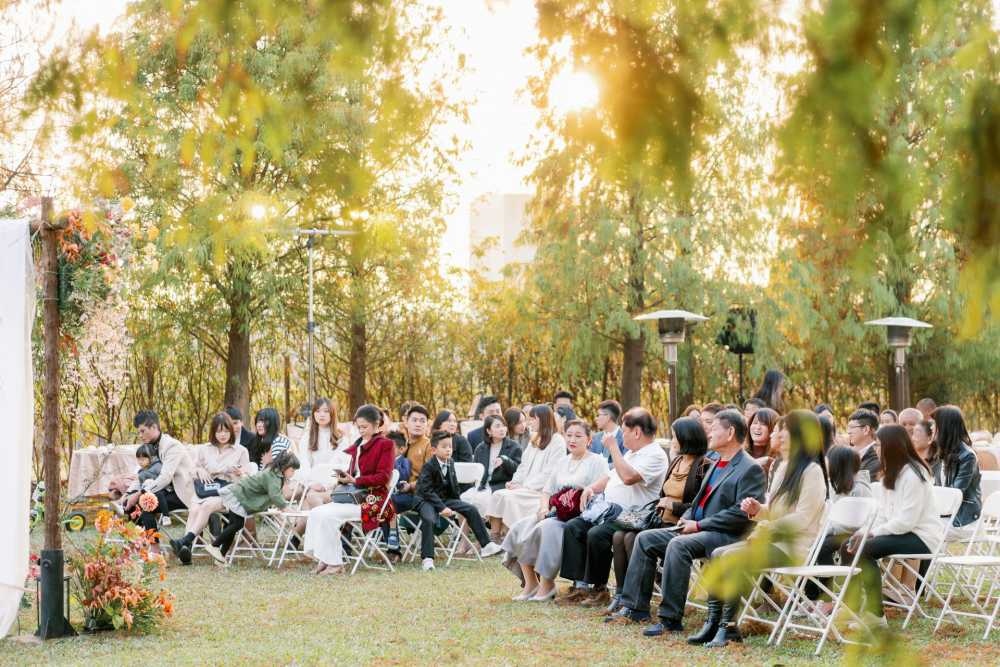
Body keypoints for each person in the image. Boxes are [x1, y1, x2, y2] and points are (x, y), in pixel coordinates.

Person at [609, 410, 767, 634]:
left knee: (678, 545)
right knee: (644, 539)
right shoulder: (717, 463)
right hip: (697, 530)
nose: (708, 433)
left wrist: (699, 525)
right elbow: (698, 501)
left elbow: (740, 514)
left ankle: (670, 619)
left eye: (713, 429)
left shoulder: (750, 468)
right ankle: (635, 608)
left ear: (730, 432)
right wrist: (688, 518)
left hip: (726, 536)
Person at [695, 410, 828, 648]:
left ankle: (729, 627)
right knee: (717, 553)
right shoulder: (783, 467)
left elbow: (802, 519)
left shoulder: (812, 472)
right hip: (774, 542)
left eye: (783, 429)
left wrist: (765, 527)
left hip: (794, 547)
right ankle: (713, 622)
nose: (778, 433)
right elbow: (776, 511)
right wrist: (758, 510)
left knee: (730, 557)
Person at [556, 407, 670, 607]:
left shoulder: (655, 455)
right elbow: (609, 477)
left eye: (624, 431)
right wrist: (590, 488)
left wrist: (614, 449)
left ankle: (600, 589)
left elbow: (628, 477)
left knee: (597, 534)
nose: (621, 436)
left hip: (632, 518)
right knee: (574, 526)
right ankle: (580, 586)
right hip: (610, 512)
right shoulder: (632, 453)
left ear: (637, 432)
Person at [840, 424, 941, 630]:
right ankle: (852, 608)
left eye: (877, 445)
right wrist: (864, 532)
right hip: (903, 533)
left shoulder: (915, 474)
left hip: (922, 537)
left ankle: (875, 615)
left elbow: (906, 521)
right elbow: (883, 514)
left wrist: (872, 534)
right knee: (848, 545)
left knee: (864, 549)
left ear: (890, 447)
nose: (875, 449)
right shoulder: (890, 473)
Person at [608, 417, 712, 613]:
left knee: (632, 538)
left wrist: (675, 506)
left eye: (675, 437)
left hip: (682, 526)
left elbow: (703, 506)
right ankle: (622, 595)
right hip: (661, 521)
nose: (672, 441)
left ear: (687, 437)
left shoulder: (704, 466)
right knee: (619, 536)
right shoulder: (677, 461)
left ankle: (638, 603)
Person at [503, 419, 610, 601]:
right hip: (557, 512)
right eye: (569, 435)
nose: (572, 440)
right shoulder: (562, 462)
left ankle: (547, 584)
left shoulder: (597, 461)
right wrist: (544, 508)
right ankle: (531, 583)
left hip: (580, 517)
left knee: (546, 528)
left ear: (589, 439)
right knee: (520, 527)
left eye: (578, 436)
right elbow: (547, 490)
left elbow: (601, 490)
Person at [302, 405, 397, 574]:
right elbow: (355, 473)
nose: (361, 430)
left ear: (376, 424)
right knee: (316, 513)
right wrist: (344, 478)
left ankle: (335, 563)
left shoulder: (386, 444)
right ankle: (325, 558)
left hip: (373, 500)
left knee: (329, 516)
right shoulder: (359, 443)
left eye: (364, 426)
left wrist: (355, 480)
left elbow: (383, 477)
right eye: (358, 427)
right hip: (354, 495)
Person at [169, 451, 300, 565]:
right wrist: (286, 508)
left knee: (233, 525)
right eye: (292, 470)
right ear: (283, 467)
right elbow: (275, 494)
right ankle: (214, 546)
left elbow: (272, 493)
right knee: (237, 524)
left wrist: (279, 504)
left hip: (239, 494)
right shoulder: (274, 476)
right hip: (239, 496)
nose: (293, 474)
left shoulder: (273, 473)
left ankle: (217, 555)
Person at [414, 430, 503, 570]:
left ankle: (486, 544)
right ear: (434, 450)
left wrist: (457, 503)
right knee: (429, 519)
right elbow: (426, 491)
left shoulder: (450, 462)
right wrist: (442, 508)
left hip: (444, 498)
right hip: (426, 500)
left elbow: (454, 485)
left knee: (471, 508)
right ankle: (427, 559)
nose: (448, 449)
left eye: (450, 446)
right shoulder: (428, 466)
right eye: (444, 446)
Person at [804, 444, 873, 611]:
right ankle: (812, 597)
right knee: (810, 542)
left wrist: (826, 530)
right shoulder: (834, 482)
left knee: (822, 546)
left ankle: (827, 599)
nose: (824, 463)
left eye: (827, 460)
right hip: (837, 529)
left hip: (855, 532)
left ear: (839, 465)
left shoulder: (859, 488)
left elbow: (854, 523)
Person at [486, 404, 568, 542]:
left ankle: (512, 538)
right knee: (498, 494)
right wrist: (515, 482)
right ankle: (495, 538)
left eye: (532, 419)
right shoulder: (534, 440)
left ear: (542, 419)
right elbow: (522, 466)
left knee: (510, 498)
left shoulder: (557, 441)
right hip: (525, 488)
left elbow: (550, 472)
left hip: (540, 491)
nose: (529, 422)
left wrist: (526, 487)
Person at [118, 410, 196, 553]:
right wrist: (127, 494)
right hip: (161, 492)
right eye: (139, 432)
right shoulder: (149, 447)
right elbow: (140, 476)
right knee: (134, 501)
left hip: (181, 493)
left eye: (143, 431)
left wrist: (140, 493)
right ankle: (134, 546)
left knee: (145, 502)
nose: (140, 436)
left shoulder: (172, 446)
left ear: (154, 427)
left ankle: (154, 549)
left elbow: (165, 477)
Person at [931, 405, 982, 540]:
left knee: (920, 528)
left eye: (934, 423)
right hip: (945, 517)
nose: (931, 427)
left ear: (944, 426)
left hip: (963, 521)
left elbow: (953, 495)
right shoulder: (943, 452)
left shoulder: (967, 456)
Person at [462, 414, 523, 515]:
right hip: (481, 487)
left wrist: (505, 461)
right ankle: (466, 527)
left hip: (500, 487)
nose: (502, 429)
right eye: (497, 426)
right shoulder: (480, 448)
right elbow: (475, 471)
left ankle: (482, 525)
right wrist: (475, 483)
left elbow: (519, 470)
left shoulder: (514, 447)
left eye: (504, 425)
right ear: (488, 431)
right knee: (464, 498)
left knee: (481, 500)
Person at [295, 398, 349, 488]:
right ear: (313, 414)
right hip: (310, 483)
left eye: (326, 411)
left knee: (313, 496)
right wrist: (311, 484)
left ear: (332, 413)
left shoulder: (341, 437)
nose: (322, 415)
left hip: (333, 484)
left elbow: (335, 465)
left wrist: (324, 486)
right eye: (318, 411)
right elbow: (304, 465)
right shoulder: (307, 437)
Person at [393, 404, 435, 513]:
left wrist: (410, 486)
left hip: (419, 496)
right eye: (414, 420)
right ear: (406, 423)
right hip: (399, 491)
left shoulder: (430, 446)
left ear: (427, 425)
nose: (418, 424)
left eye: (422, 421)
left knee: (387, 501)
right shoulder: (402, 446)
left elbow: (430, 478)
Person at [847, 409, 881, 481]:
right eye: (848, 428)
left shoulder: (877, 456)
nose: (849, 432)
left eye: (852, 427)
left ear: (866, 430)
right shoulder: (849, 453)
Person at [592, 399, 625, 470]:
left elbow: (625, 461)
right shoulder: (595, 438)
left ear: (607, 417)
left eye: (598, 415)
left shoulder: (625, 438)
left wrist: (603, 468)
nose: (596, 418)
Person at [745, 407, 779, 476]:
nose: (757, 427)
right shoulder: (740, 451)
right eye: (755, 423)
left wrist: (767, 460)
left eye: (763, 424)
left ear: (773, 429)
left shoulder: (778, 457)